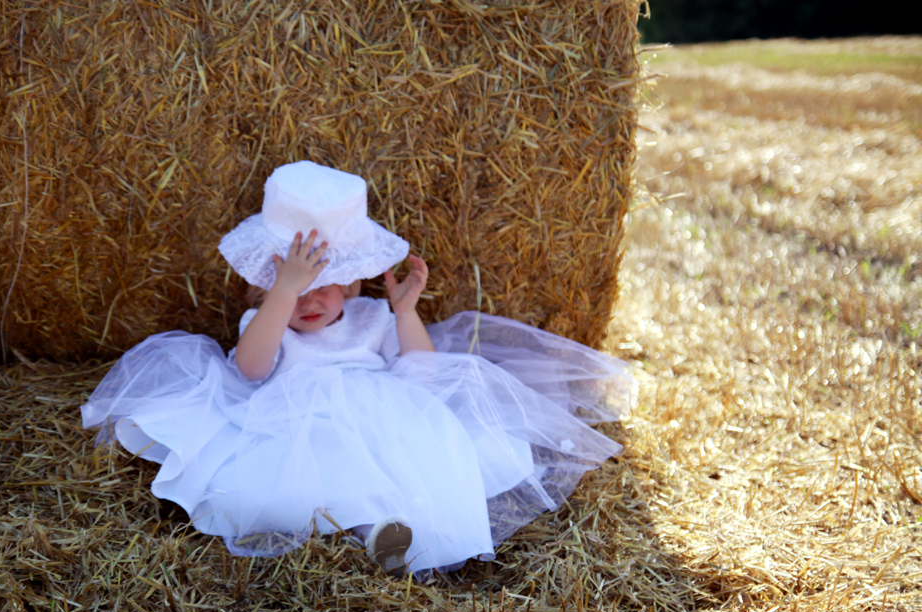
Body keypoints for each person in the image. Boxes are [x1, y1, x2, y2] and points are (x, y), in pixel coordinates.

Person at [81, 161, 634, 578]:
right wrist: (283, 293)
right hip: (296, 422)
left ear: (350, 279)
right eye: (294, 285)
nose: (309, 299)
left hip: (382, 412)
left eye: (324, 282)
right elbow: (250, 371)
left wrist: (405, 311)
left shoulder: (371, 316)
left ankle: (385, 537)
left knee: (411, 464)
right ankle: (362, 530)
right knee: (305, 480)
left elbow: (422, 370)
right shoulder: (267, 319)